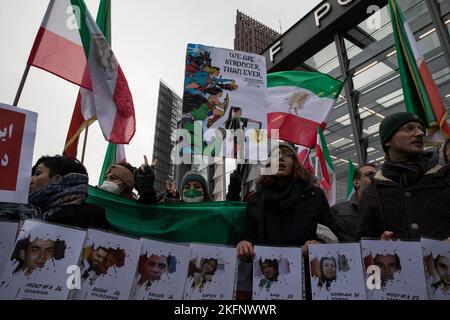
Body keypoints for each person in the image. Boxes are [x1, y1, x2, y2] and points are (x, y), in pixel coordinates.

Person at [236, 142, 337, 261]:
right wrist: (243, 244)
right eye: (275, 155)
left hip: (306, 270)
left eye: (287, 155)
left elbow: (331, 234)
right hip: (267, 270)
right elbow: (249, 235)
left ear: (295, 164)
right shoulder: (255, 200)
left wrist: (318, 245)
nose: (280, 158)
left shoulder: (314, 195)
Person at [358, 112, 450, 240]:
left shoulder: (445, 176)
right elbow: (364, 240)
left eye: (420, 128)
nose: (420, 133)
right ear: (387, 141)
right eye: (409, 128)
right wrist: (379, 244)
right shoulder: (373, 192)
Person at [331, 164, 378, 242]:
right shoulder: (338, 212)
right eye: (370, 175)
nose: (375, 178)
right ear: (356, 182)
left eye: (378, 176)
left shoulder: (389, 209)